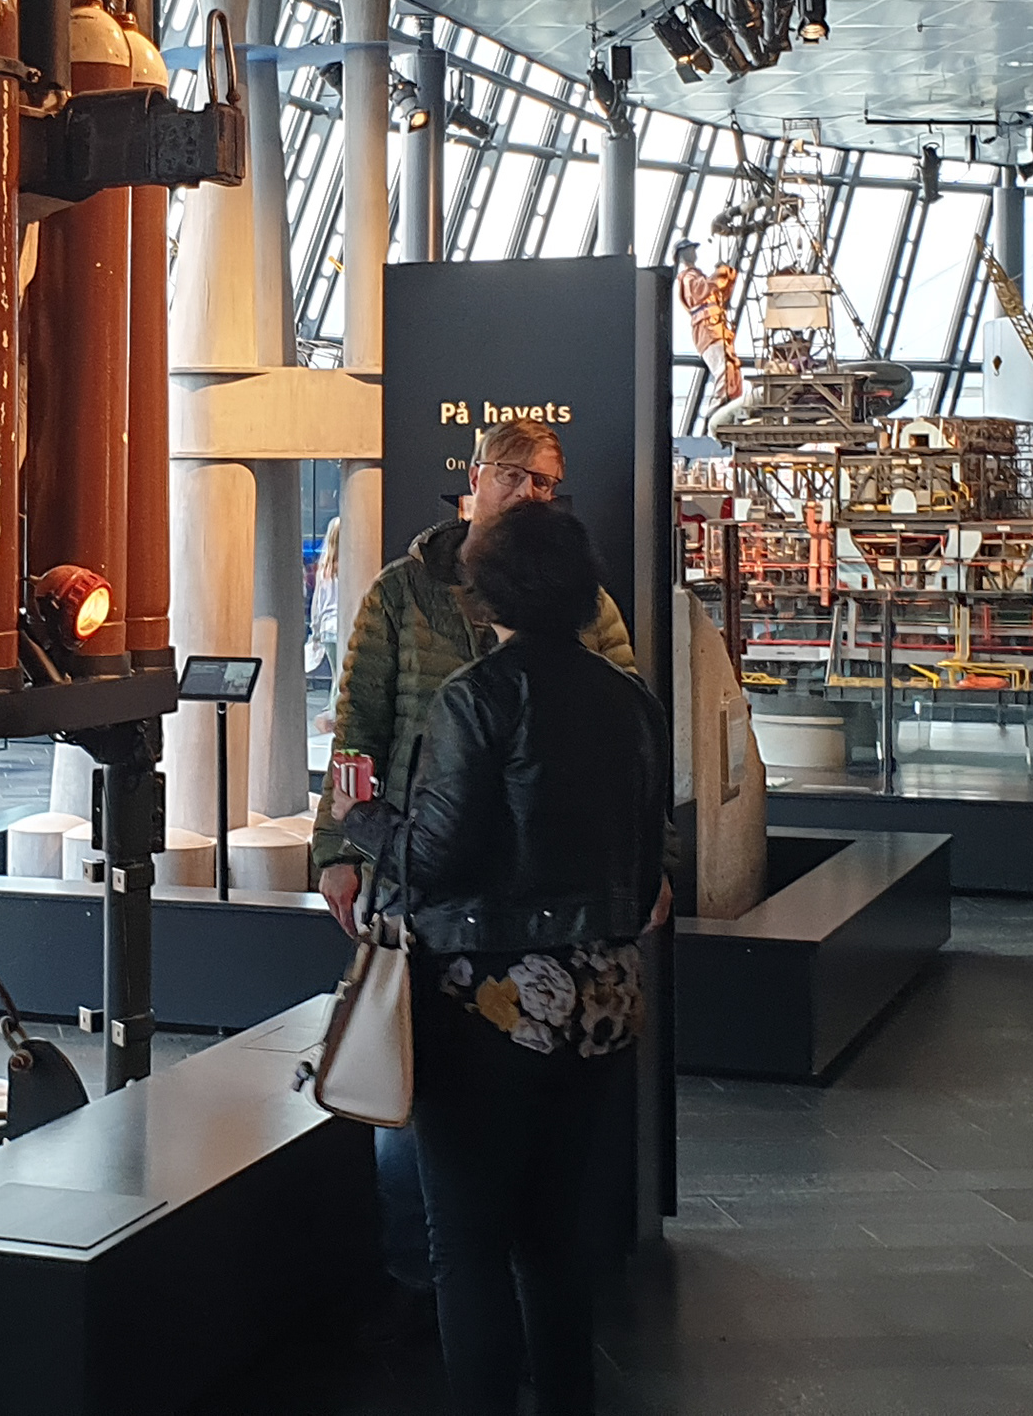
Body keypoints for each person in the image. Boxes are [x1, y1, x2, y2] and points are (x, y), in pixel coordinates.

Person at [341, 500, 670, 1416]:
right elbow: (648, 858)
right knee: (556, 1234)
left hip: (491, 997)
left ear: (487, 592)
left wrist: (361, 819)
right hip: (604, 996)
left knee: (468, 1241)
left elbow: (434, 856)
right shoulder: (631, 701)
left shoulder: (478, 695)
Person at [315, 417, 640, 1303]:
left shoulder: (588, 608)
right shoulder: (402, 590)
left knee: (507, 1141)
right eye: (516, 476)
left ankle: (476, 1301)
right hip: (423, 886)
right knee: (404, 1098)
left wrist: (655, 859)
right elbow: (358, 720)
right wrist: (339, 847)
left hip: (534, 889)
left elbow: (628, 733)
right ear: (476, 476)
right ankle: (417, 1283)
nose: (530, 493)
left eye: (546, 482)